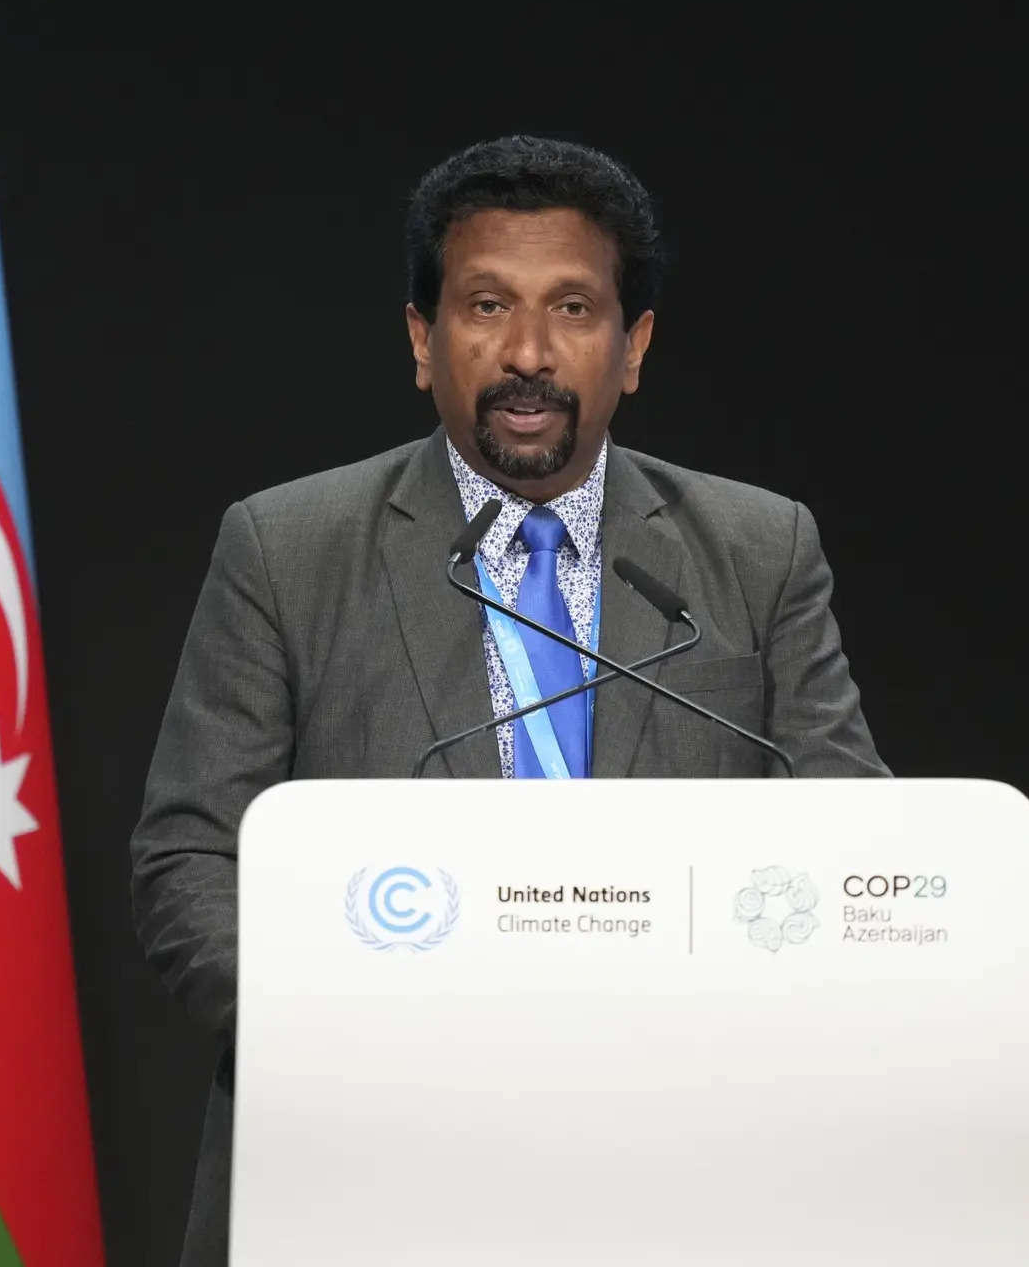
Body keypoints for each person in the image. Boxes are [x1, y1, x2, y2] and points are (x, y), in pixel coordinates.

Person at [129, 134, 889, 1265]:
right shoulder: (288, 548)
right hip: (365, 1165)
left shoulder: (757, 550)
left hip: (677, 1167)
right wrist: (349, 1037)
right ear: (422, 340)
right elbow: (188, 858)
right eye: (486, 305)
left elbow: (851, 836)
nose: (528, 350)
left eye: (574, 309)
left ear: (631, 348)